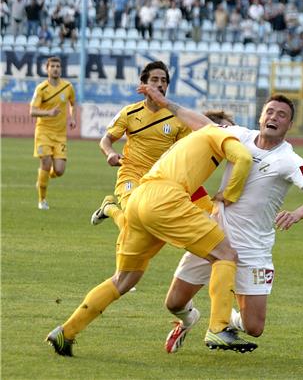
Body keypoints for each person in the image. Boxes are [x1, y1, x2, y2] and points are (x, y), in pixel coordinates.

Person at [45, 84, 257, 357]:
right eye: (231, 126)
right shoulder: (218, 134)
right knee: (226, 254)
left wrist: (164, 101)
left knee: (123, 279)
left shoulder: (192, 140)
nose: (235, 130)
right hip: (165, 198)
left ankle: (66, 332)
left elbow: (190, 117)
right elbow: (243, 158)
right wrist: (229, 195)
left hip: (140, 199)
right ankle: (219, 327)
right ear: (219, 126)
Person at [163, 100, 303, 354]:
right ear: (261, 117)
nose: (274, 117)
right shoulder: (240, 136)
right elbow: (204, 125)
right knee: (174, 303)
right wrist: (165, 102)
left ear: (289, 124)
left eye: (282, 115)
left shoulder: (289, 159)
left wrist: (297, 214)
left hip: (253, 248)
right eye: (270, 112)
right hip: (213, 236)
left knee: (254, 327)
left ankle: (226, 318)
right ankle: (189, 319)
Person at [90, 61, 214, 234]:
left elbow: (184, 150)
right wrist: (110, 153)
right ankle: (109, 207)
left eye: (164, 80)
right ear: (144, 84)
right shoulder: (130, 113)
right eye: (155, 79)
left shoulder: (178, 117)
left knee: (213, 216)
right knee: (132, 221)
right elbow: (106, 140)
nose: (160, 84)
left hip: (162, 178)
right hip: (132, 173)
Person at [29, 56, 78, 210]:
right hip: (43, 131)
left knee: (59, 170)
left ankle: (43, 178)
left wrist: (73, 118)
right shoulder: (41, 89)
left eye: (58, 66)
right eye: (53, 66)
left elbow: (73, 103)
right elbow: (32, 111)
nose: (56, 68)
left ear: (60, 69)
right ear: (47, 69)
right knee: (45, 162)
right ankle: (42, 200)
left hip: (60, 135)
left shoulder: (68, 87)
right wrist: (49, 113)